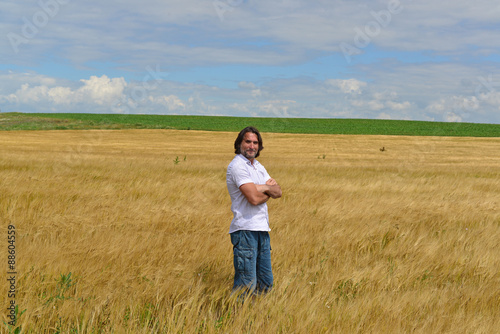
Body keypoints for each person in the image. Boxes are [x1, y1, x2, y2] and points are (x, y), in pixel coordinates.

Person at [226, 126, 282, 296]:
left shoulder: (258, 166)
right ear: (239, 143)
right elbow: (254, 199)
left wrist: (260, 188)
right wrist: (267, 189)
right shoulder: (237, 166)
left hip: (262, 230)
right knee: (245, 285)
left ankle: (257, 319)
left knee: (266, 283)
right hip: (245, 231)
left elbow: (278, 192)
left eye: (255, 143)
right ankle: (238, 319)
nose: (252, 146)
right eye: (248, 141)